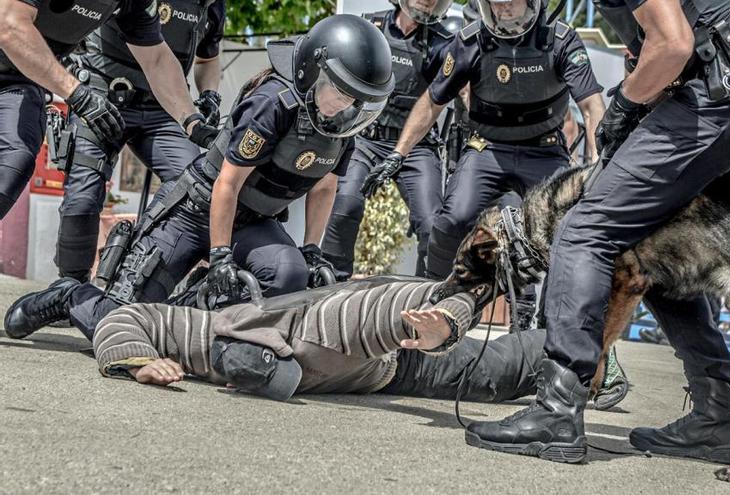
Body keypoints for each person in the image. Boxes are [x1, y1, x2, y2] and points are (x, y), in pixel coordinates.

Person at [464, 0, 730, 465]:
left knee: (584, 229)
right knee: (651, 238)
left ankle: (558, 411)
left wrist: (623, 102)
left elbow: (673, 44)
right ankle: (716, 417)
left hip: (724, 91)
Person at [4, 14, 394, 342]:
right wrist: (221, 256)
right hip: (196, 210)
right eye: (341, 94)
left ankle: (187, 326)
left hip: (254, 220)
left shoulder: (340, 126)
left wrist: (311, 249)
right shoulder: (272, 103)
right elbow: (227, 184)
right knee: (122, 324)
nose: (348, 108)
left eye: (357, 100)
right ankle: (71, 296)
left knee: (288, 275)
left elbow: (324, 186)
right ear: (313, 71)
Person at [374, 0, 606, 281]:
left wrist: (597, 165)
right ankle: (434, 294)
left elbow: (592, 107)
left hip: (544, 151)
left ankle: (538, 317)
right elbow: (433, 101)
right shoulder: (471, 40)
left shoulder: (560, 39)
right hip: (488, 148)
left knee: (566, 230)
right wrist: (399, 153)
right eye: (495, 4)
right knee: (451, 222)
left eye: (510, 3)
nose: (502, 10)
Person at [92, 276, 541, 402]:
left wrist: (443, 321)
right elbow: (126, 316)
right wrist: (138, 362)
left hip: (399, 357)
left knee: (500, 371)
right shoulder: (208, 336)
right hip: (374, 372)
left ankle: (590, 359)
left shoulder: (329, 324)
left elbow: (434, 294)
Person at [55, 0, 228, 283]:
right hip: (102, 95)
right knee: (84, 193)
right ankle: (69, 286)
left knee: (193, 188)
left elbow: (207, 58)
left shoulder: (211, 5)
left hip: (165, 107)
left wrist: (209, 94)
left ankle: (132, 275)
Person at [0, 0, 217, 218]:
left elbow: (158, 60)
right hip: (22, 54)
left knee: (14, 162)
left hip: (19, 79)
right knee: (81, 198)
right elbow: (9, 24)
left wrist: (192, 122)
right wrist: (78, 93)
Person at [321, 0, 456, 278]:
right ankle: (330, 282)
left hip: (417, 146)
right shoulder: (369, 27)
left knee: (432, 224)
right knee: (345, 204)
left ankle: (426, 295)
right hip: (366, 138)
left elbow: (457, 93)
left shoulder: (445, 42)